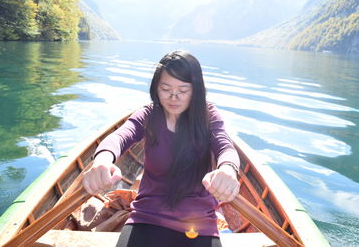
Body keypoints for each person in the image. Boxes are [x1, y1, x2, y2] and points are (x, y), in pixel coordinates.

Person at [82, 50, 240, 247]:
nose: (174, 97)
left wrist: (227, 168)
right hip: (147, 215)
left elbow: (225, 146)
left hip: (199, 220)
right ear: (156, 88)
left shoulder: (208, 116)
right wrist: (103, 160)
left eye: (183, 90)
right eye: (166, 89)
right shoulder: (149, 115)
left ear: (196, 90)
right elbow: (121, 136)